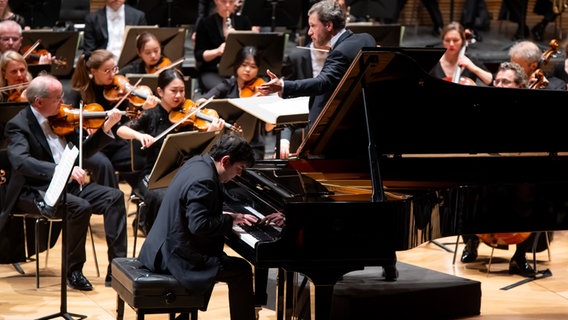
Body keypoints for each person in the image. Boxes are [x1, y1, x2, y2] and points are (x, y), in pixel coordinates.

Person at [0, 74, 128, 289]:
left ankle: (117, 269)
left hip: (68, 187)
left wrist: (106, 128)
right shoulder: (18, 125)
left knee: (114, 197)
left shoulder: (61, 119)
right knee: (79, 207)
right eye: (58, 98)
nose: (63, 101)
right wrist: (59, 170)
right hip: (35, 191)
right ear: (39, 102)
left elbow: (81, 153)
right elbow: (22, 162)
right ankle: (74, 271)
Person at [138, 133, 258, 320]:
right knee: (241, 270)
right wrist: (229, 220)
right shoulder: (205, 181)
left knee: (217, 255)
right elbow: (200, 225)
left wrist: (225, 215)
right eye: (239, 168)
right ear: (225, 161)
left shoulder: (197, 162)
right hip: (173, 257)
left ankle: (185, 314)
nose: (240, 175)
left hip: (163, 246)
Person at [116, 68, 225, 236]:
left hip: (182, 173)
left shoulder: (190, 114)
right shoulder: (150, 114)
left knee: (203, 193)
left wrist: (211, 133)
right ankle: (156, 238)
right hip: (154, 175)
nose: (179, 96)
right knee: (162, 197)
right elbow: (121, 130)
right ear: (160, 91)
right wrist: (139, 135)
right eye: (173, 91)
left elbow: (201, 150)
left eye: (182, 91)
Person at [258, 0, 376, 136]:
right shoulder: (367, 39)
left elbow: (322, 82)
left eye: (313, 26)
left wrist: (282, 86)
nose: (309, 32)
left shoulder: (340, 52)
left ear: (329, 25)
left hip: (334, 133)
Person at [70, 49, 159, 190]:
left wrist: (143, 108)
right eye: (107, 71)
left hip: (114, 143)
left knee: (139, 156)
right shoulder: (80, 93)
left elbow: (127, 121)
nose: (113, 74)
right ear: (93, 71)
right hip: (90, 146)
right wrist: (83, 127)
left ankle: (144, 197)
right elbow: (72, 124)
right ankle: (114, 205)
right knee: (104, 165)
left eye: (114, 69)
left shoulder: (119, 90)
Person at [196, 45, 270, 160]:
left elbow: (269, 127)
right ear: (237, 65)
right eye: (244, 65)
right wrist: (202, 102)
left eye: (253, 66)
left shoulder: (262, 88)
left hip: (252, 144)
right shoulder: (228, 84)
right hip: (227, 142)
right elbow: (205, 99)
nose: (248, 70)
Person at [277, 37, 329, 159]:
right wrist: (284, 139)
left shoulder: (341, 55)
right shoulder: (296, 58)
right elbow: (288, 100)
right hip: (302, 120)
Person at [194, 0, 256, 93]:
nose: (227, 5)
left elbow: (251, 51)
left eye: (231, 2)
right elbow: (199, 55)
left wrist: (236, 38)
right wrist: (217, 51)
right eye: (223, 1)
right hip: (212, 71)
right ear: (216, 1)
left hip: (240, 71)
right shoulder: (205, 23)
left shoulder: (243, 21)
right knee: (227, 91)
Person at [429, 21, 493, 86]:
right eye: (447, 40)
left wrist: (472, 67)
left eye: (455, 40)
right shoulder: (434, 61)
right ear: (443, 41)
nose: (451, 44)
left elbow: (490, 81)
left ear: (462, 41)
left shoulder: (470, 60)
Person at [82, 0, 148, 61]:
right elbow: (89, 51)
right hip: (102, 65)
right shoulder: (92, 19)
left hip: (130, 64)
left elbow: (143, 46)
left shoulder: (138, 16)